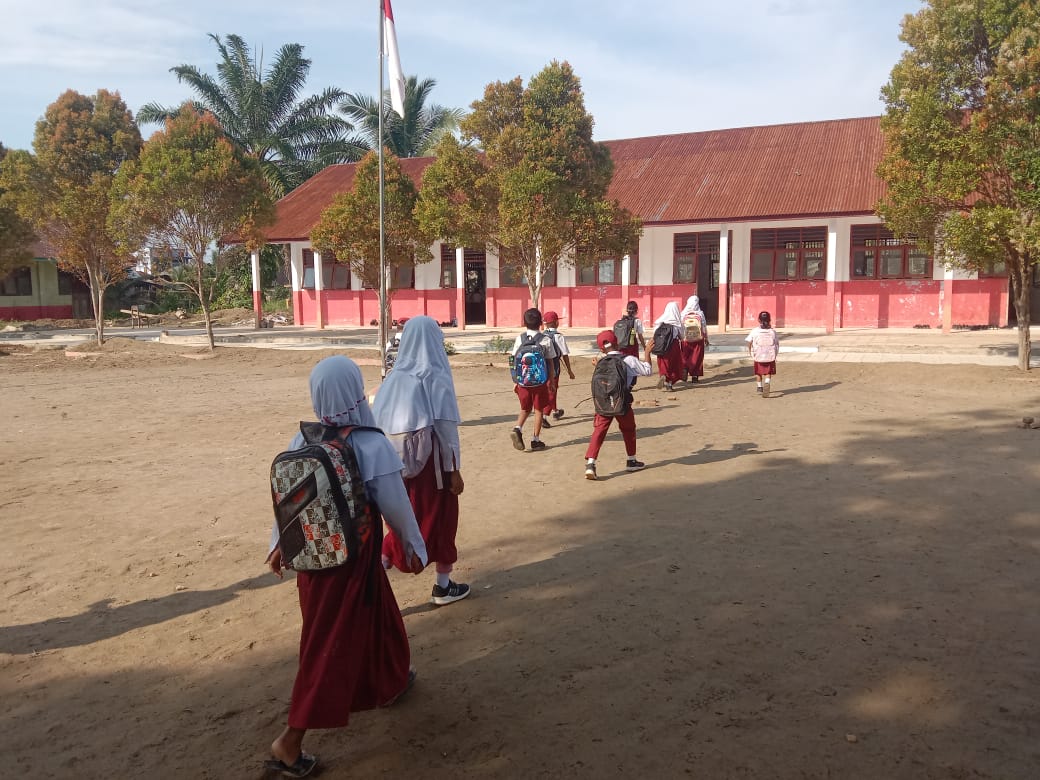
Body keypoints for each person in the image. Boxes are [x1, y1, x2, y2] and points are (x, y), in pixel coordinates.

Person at [264, 355, 428, 778]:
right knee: (330, 646)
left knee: (375, 616)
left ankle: (390, 680)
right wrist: (414, 547)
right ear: (356, 392)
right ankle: (289, 741)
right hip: (351, 562)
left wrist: (278, 544)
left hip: (313, 562)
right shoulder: (370, 445)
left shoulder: (302, 440)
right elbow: (396, 506)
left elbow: (289, 502)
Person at [373, 316, 470, 606]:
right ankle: (443, 585)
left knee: (404, 518)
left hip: (395, 465)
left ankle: (374, 578)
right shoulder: (435, 374)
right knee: (440, 520)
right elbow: (445, 428)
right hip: (431, 467)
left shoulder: (394, 377)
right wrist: (454, 470)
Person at [584, 330, 653, 480]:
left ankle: (590, 464)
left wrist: (597, 365)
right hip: (622, 402)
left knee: (599, 431)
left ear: (601, 349)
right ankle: (631, 460)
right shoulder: (629, 360)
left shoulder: (601, 362)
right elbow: (648, 371)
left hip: (603, 402)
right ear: (617, 342)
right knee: (628, 429)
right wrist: (647, 352)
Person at [509, 308, 558, 451]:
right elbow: (550, 363)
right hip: (540, 382)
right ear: (541, 323)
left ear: (524, 323)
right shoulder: (545, 340)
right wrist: (552, 381)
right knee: (538, 410)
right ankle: (535, 440)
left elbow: (513, 359)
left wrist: (515, 380)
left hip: (523, 382)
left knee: (525, 408)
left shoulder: (520, 339)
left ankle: (517, 428)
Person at [541, 310, 575, 421]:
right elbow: (565, 355)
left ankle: (555, 410)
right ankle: (544, 416)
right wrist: (569, 370)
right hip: (554, 367)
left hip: (541, 367)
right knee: (552, 389)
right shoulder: (558, 337)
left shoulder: (541, 336)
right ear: (556, 322)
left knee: (548, 389)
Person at [646, 301, 684, 391]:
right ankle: (669, 384)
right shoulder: (677, 325)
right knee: (673, 365)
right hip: (673, 346)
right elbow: (681, 337)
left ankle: (663, 375)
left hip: (661, 347)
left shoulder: (659, 323)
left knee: (663, 363)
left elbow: (654, 336)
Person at [745, 310, 780, 397]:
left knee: (758, 372)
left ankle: (759, 387)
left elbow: (749, 342)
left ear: (759, 320)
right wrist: (776, 354)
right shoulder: (772, 332)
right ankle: (767, 382)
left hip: (758, 355)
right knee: (768, 372)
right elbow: (777, 344)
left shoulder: (754, 331)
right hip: (770, 355)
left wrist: (750, 352)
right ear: (769, 320)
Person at [679, 295, 709, 383]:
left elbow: (680, 326)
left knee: (685, 356)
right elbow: (703, 327)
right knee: (697, 357)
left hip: (685, 339)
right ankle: (695, 377)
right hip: (698, 339)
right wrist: (706, 338)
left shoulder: (683, 313)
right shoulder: (700, 313)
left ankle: (685, 368)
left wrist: (680, 337)